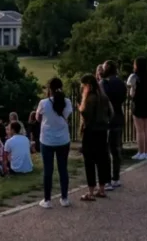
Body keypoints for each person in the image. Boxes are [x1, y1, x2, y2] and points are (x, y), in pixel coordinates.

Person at [36, 77, 72, 208]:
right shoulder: (67, 102)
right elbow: (66, 116)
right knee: (63, 169)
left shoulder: (43, 103)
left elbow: (38, 118)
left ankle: (47, 200)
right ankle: (64, 198)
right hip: (63, 139)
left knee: (48, 170)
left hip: (47, 140)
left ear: (49, 88)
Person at [79, 73, 112, 198]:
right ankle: (102, 189)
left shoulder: (90, 98)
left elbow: (87, 116)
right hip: (102, 131)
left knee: (89, 161)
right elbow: (111, 113)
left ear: (88, 85)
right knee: (102, 160)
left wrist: (81, 111)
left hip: (90, 132)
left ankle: (91, 191)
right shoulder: (103, 97)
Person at [100, 60, 126, 187]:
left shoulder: (104, 83)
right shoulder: (121, 82)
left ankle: (107, 181)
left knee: (105, 150)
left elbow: (102, 99)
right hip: (119, 116)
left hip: (107, 118)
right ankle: (116, 177)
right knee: (116, 149)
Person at [126, 57, 147, 159]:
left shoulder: (134, 76)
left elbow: (132, 91)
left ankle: (140, 151)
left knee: (139, 129)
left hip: (138, 102)